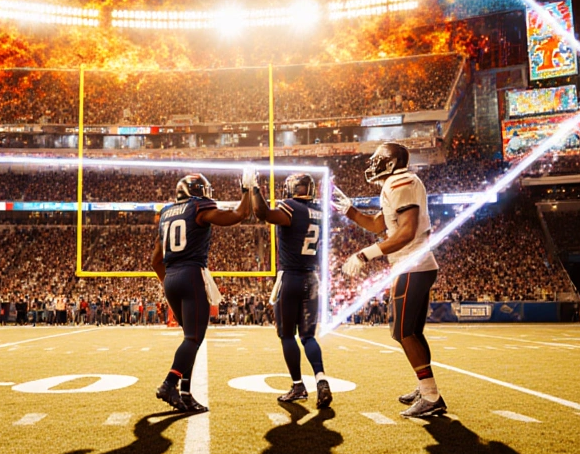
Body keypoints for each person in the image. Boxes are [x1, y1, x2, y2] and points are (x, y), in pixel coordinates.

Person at [334, 142, 447, 419]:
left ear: (391, 161)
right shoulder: (396, 184)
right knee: (412, 331)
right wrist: (351, 211)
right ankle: (426, 388)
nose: (372, 164)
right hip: (414, 265)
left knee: (403, 331)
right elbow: (377, 225)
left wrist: (365, 254)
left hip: (412, 265)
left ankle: (431, 395)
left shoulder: (402, 182)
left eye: (377, 159)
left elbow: (407, 232)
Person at [151, 171, 255, 413]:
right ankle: (169, 384)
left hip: (171, 278)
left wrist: (170, 283)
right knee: (193, 338)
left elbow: (155, 260)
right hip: (190, 274)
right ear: (197, 192)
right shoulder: (199, 208)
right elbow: (240, 214)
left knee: (190, 338)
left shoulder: (166, 213)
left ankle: (185, 395)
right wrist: (246, 191)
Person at [251, 172, 332, 408]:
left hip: (291, 277)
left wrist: (255, 189)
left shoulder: (290, 207)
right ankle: (321, 379)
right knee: (308, 337)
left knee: (287, 335)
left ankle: (298, 385)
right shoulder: (319, 211)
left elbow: (262, 213)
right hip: (312, 278)